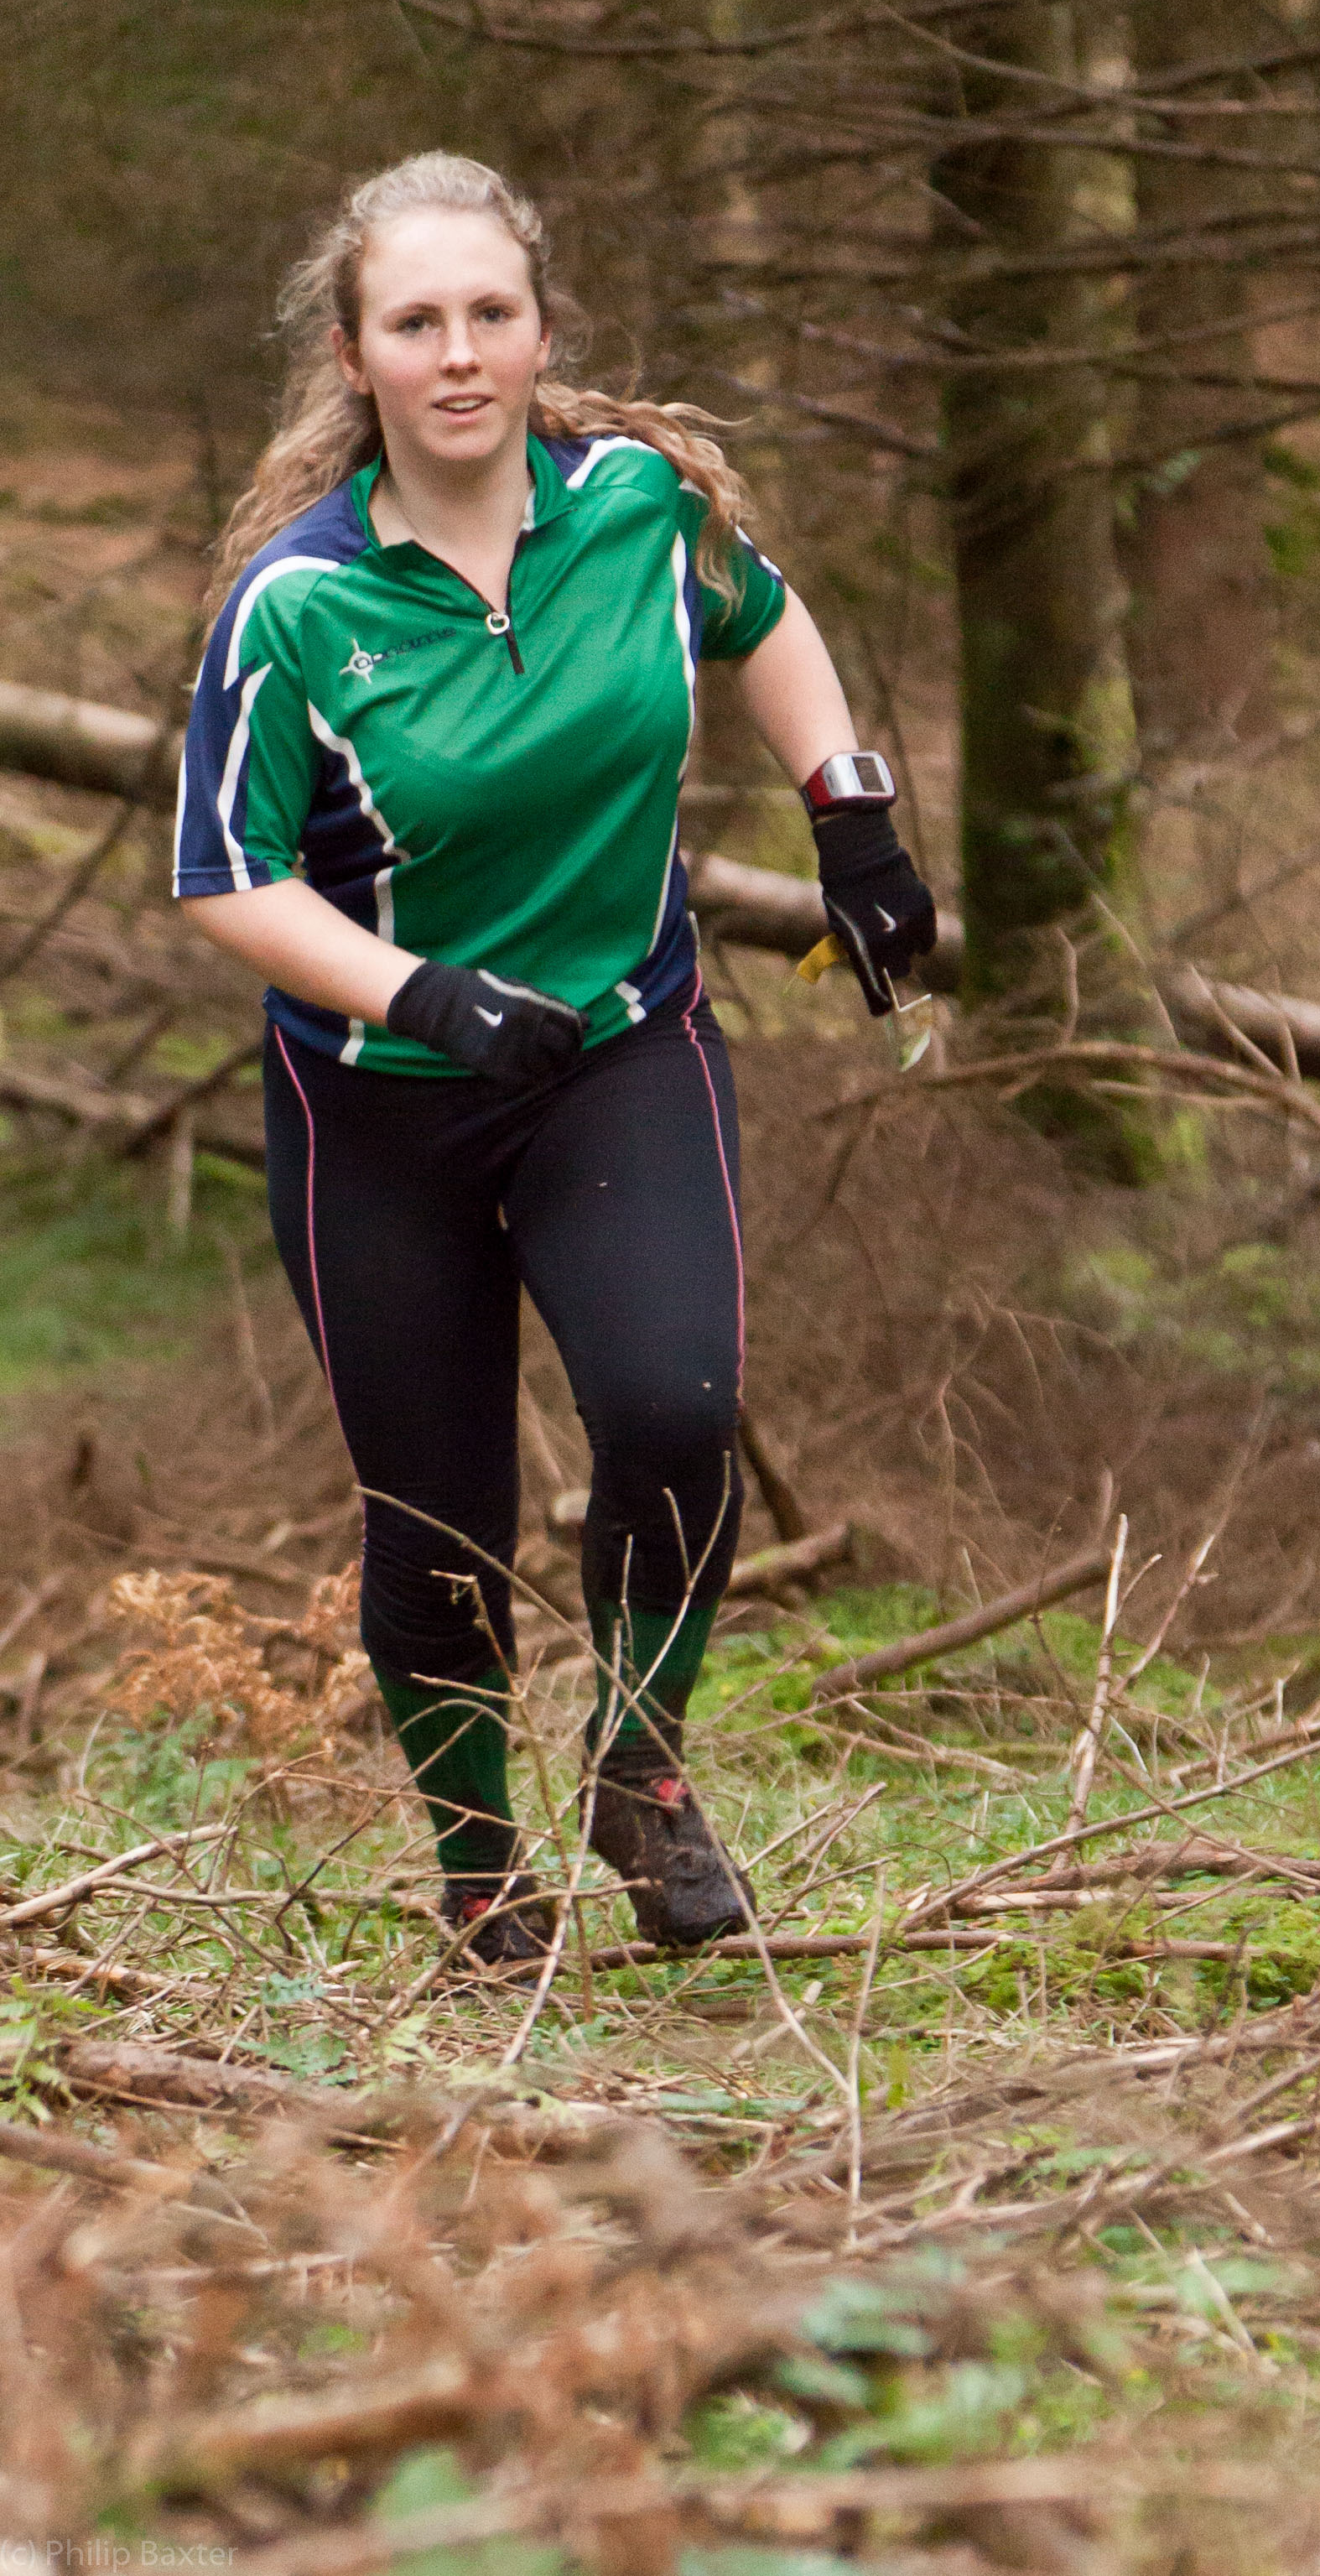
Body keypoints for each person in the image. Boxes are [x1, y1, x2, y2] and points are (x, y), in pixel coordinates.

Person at [174, 150, 936, 1968]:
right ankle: (482, 1881)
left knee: (674, 1405)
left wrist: (853, 821)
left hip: (619, 1048)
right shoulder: (299, 606)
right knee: (439, 1515)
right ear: (355, 355)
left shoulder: (642, 510)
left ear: (537, 330)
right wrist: (423, 995)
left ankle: (643, 1773)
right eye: (415, 322)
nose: (458, 354)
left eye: (489, 314)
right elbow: (227, 877)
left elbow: (766, 620)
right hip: (377, 1107)